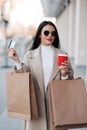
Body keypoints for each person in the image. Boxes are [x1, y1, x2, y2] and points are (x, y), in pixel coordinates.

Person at [8, 21, 74, 130]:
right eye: (46, 32)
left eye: (53, 33)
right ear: (39, 34)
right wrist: (17, 61)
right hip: (35, 105)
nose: (50, 36)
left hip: (56, 106)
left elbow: (70, 84)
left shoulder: (62, 55)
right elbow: (23, 78)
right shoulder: (30, 55)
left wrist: (64, 74)